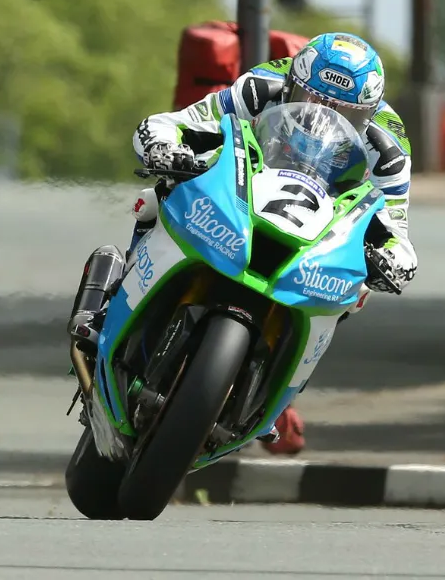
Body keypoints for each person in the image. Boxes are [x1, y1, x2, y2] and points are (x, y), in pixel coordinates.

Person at [124, 31, 419, 455]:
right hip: (246, 188)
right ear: (292, 85)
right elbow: (181, 122)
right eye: (311, 101)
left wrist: (391, 257)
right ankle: (118, 294)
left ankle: (280, 386)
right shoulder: (261, 86)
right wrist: (167, 147)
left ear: (367, 115)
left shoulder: (388, 149)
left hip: (319, 225)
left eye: (344, 113)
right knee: (157, 197)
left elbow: (397, 228)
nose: (321, 119)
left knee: (357, 290)